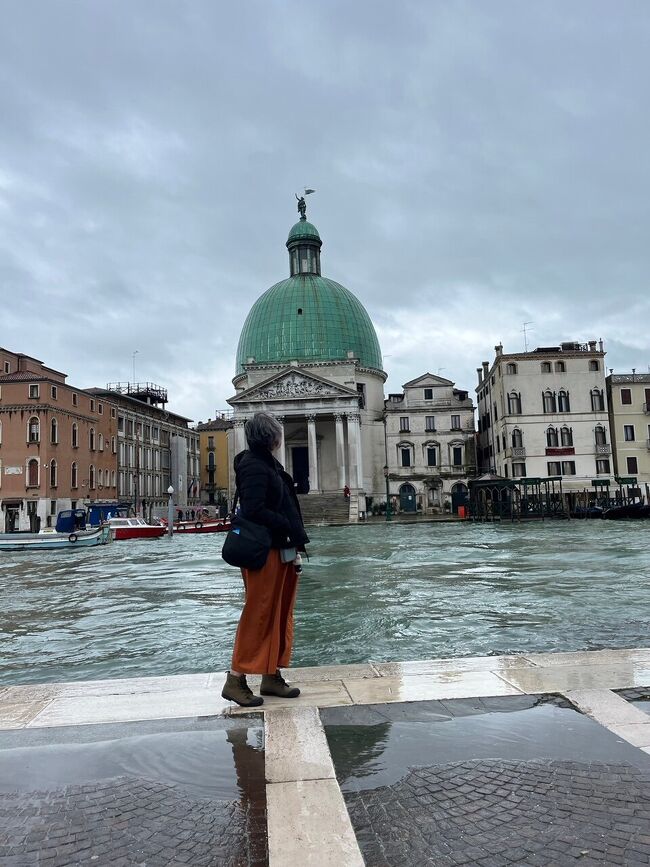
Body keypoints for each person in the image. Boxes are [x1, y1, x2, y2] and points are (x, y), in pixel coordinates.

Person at [222, 412, 309, 707]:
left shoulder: (266, 463)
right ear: (270, 437)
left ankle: (271, 676)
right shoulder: (254, 466)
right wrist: (285, 523)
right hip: (265, 552)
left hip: (279, 548)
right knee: (259, 614)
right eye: (277, 433)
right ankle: (235, 679)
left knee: (279, 613)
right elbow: (255, 509)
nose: (280, 437)